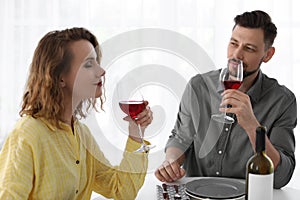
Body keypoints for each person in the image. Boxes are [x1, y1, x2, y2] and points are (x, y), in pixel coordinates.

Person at [0, 27, 153, 199]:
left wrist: (135, 132)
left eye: (96, 62)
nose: (102, 71)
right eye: (89, 64)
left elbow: (121, 190)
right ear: (59, 77)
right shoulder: (27, 135)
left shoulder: (81, 133)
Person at [155, 10, 296, 189]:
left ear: (267, 55)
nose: (236, 55)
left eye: (249, 48)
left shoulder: (282, 101)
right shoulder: (198, 86)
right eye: (233, 43)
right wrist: (171, 162)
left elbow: (281, 177)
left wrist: (252, 125)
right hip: (197, 194)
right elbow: (181, 138)